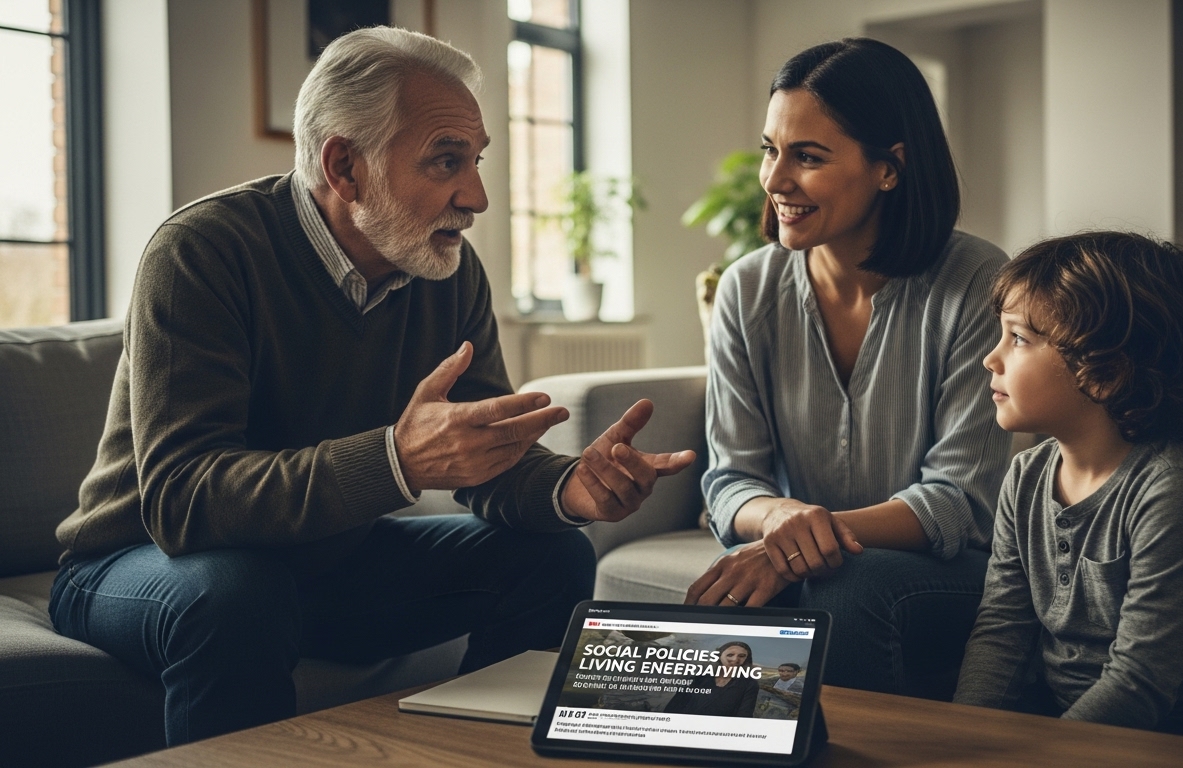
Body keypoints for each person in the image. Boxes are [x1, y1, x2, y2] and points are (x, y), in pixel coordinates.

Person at [48, 28, 694, 746]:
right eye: (447, 161)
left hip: (325, 564)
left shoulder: (449, 270)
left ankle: (482, 759)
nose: (476, 195)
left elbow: (483, 456)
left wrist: (568, 488)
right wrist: (398, 460)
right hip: (135, 563)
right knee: (237, 593)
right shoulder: (203, 250)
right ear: (345, 166)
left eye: (475, 161)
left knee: (553, 555)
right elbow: (183, 501)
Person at [684, 37, 1010, 700]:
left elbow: (958, 500)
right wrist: (779, 523)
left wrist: (801, 539)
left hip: (948, 570)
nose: (775, 180)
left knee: (843, 581)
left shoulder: (978, 280)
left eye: (808, 157)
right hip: (807, 553)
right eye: (771, 150)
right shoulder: (746, 288)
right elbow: (730, 479)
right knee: (731, 597)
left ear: (889, 167)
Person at [953, 232, 1183, 745]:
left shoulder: (1173, 497)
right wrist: (963, 738)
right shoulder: (1025, 477)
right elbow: (1002, 630)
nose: (990, 359)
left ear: (1103, 373)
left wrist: (1039, 758)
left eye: (1018, 339)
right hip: (1079, 741)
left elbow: (1139, 683)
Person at [663, 642, 760, 718]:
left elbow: (744, 715)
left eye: (742, 656)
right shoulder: (699, 678)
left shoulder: (749, 684)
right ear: (720, 656)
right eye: (730, 655)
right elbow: (674, 705)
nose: (735, 659)